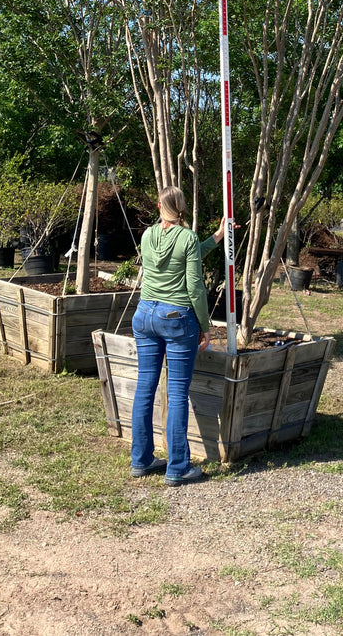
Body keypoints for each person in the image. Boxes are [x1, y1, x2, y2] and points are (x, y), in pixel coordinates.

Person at [130, 186, 225, 486]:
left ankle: (141, 460)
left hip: (144, 314)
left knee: (145, 387)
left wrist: (217, 239)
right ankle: (178, 467)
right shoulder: (187, 237)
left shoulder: (148, 236)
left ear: (159, 206)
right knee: (177, 393)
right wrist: (205, 326)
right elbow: (195, 286)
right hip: (175, 319)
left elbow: (184, 254)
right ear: (183, 207)